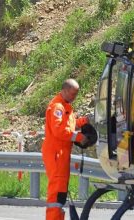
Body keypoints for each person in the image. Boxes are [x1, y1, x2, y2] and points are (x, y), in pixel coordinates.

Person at [42, 79, 90, 220]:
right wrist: (79, 137)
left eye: (76, 94)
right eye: (72, 93)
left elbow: (70, 124)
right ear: (64, 90)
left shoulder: (65, 106)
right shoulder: (58, 107)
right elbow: (59, 131)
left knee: (60, 192)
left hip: (60, 154)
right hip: (56, 154)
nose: (74, 97)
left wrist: (83, 122)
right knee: (57, 192)